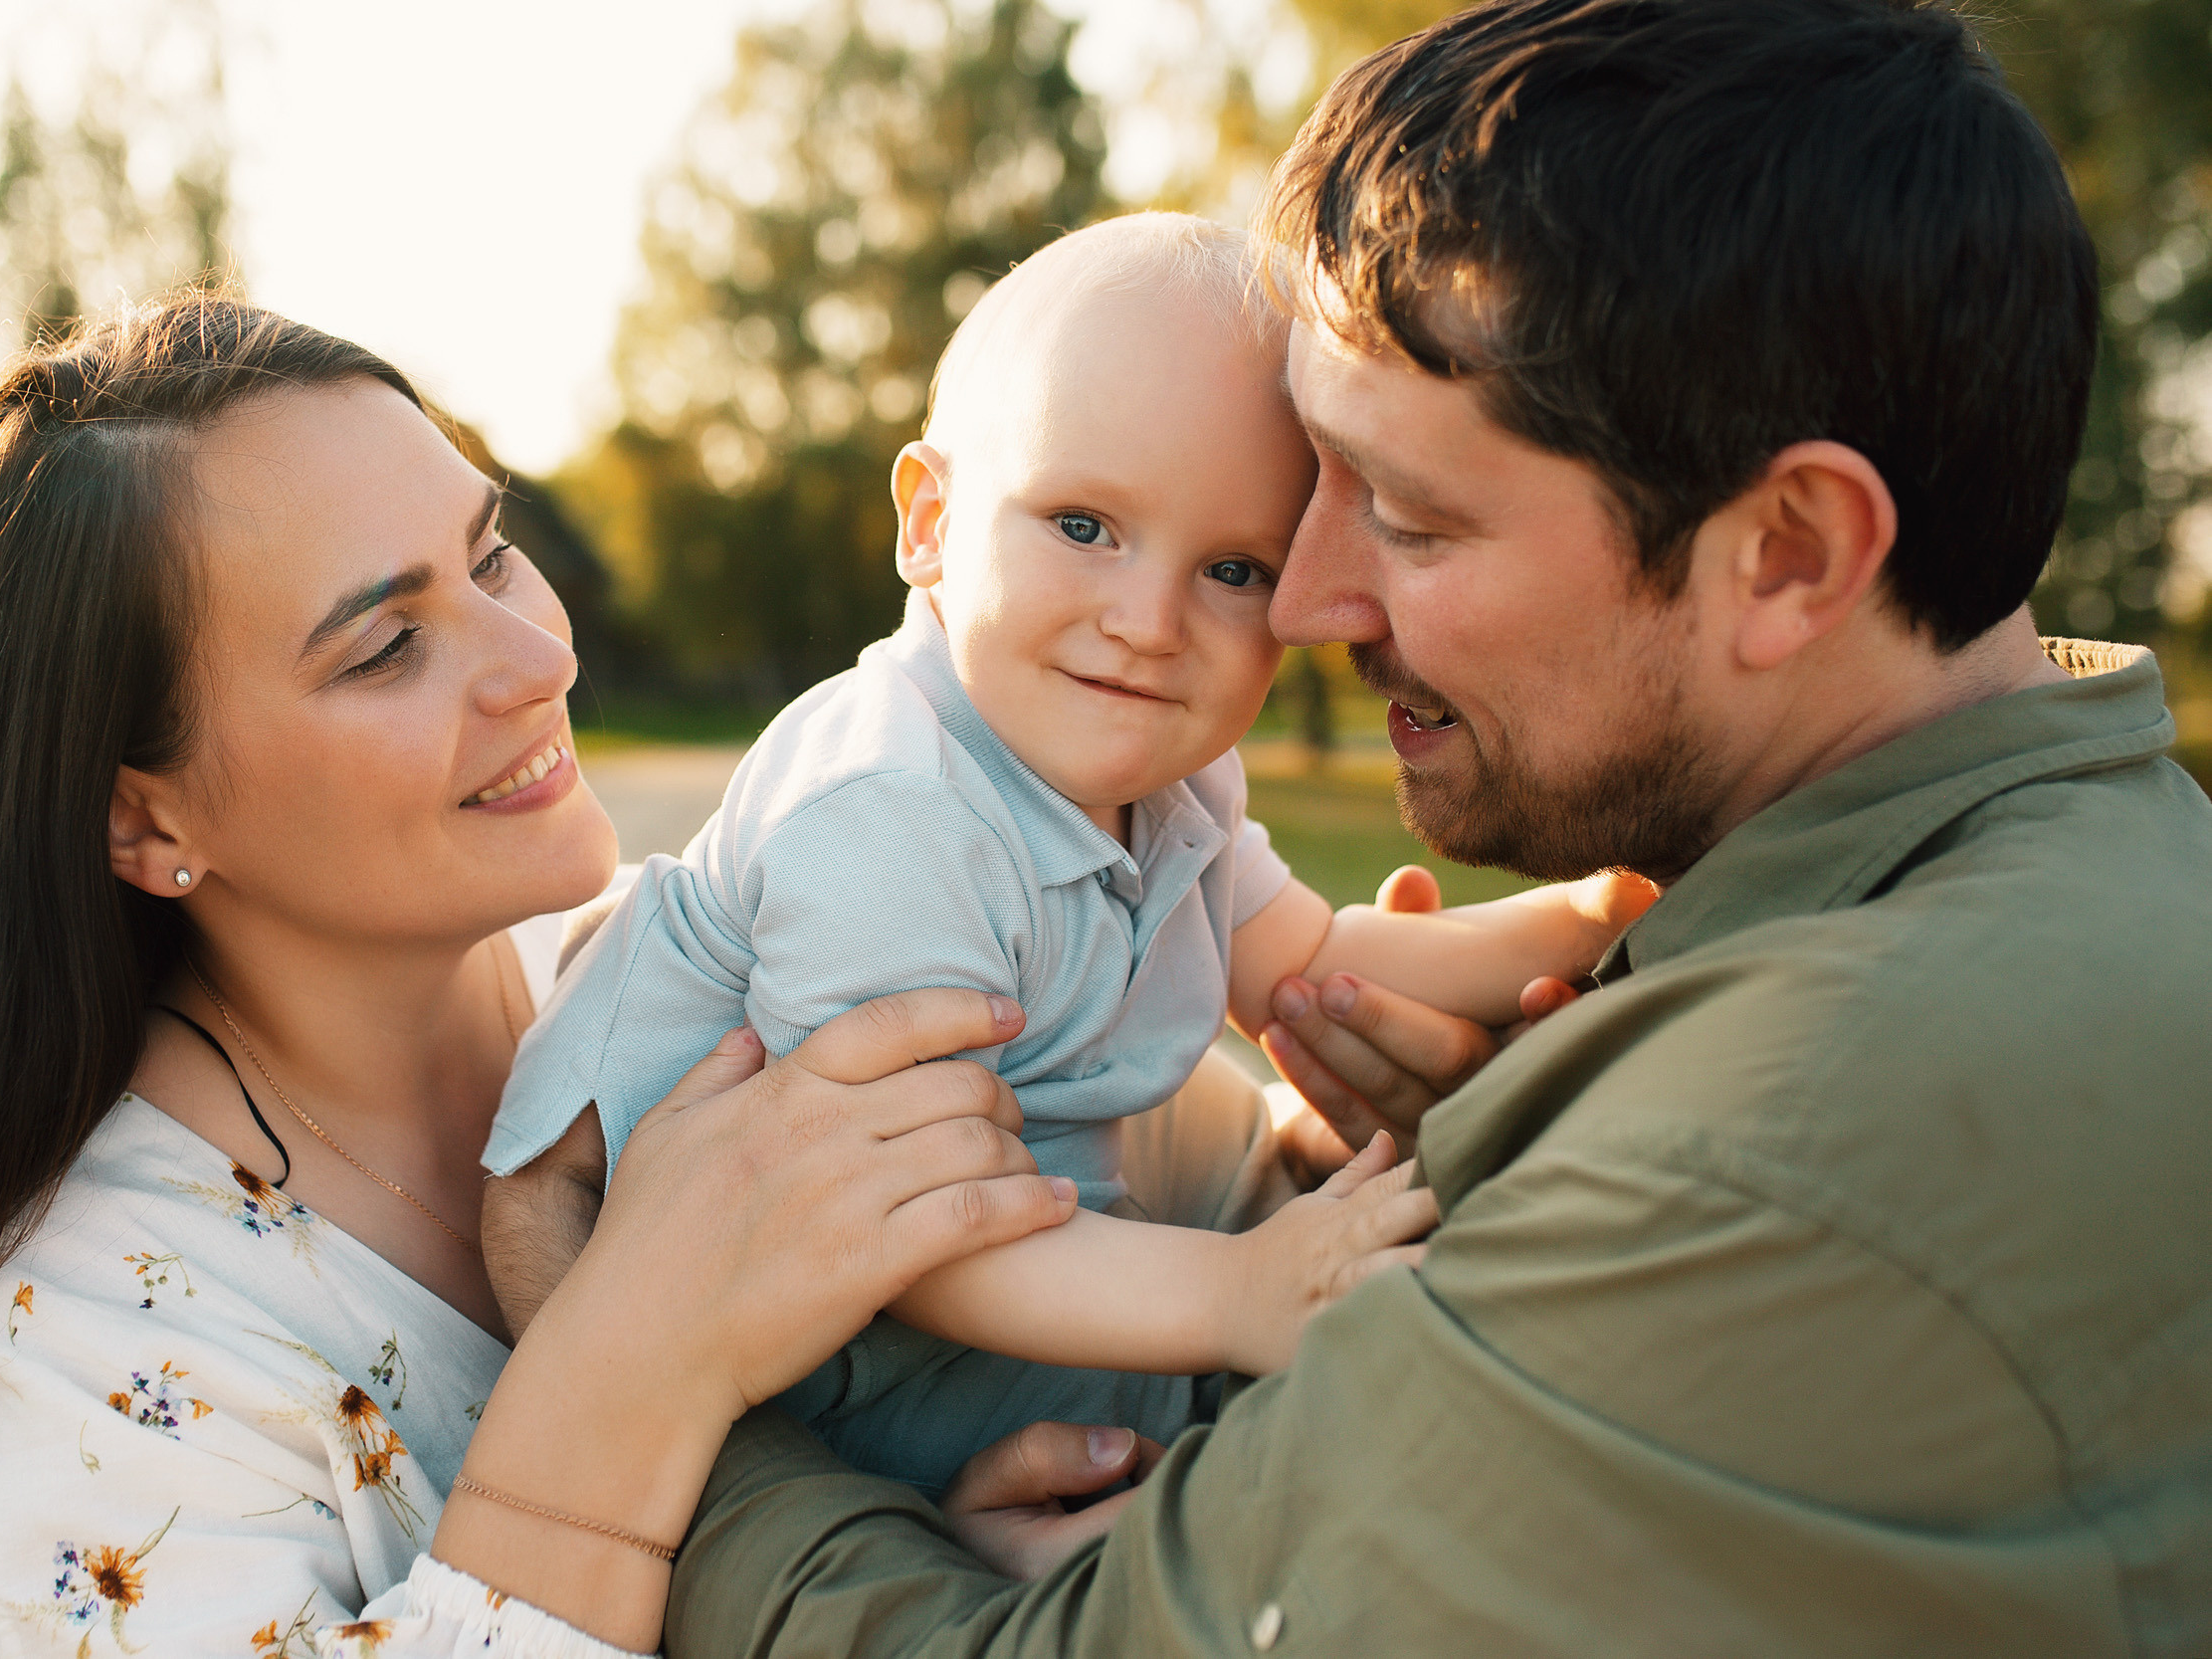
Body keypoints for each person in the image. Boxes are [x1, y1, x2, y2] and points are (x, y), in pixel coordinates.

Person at [596, 1, 2212, 1652]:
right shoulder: (2099, 878)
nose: (1298, 605)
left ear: (1788, 552)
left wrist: (638, 1404)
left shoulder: (1761, 1152)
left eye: (1411, 517)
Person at [0, 299, 1172, 1658]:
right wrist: (645, 1356)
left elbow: (1151, 1146)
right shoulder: (96, 1352)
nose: (539, 657)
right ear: (145, 820)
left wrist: (912, 1568)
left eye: (490, 557)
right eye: (388, 645)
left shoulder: (680, 963)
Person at [491, 212, 1645, 1496]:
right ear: (931, 522)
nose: (1149, 623)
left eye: (1233, 569)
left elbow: (1312, 962)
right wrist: (1238, 1290)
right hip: (823, 1344)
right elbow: (912, 1229)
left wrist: (1586, 924)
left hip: (1042, 1275)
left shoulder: (1163, 770)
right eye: (1084, 526)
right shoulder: (892, 814)